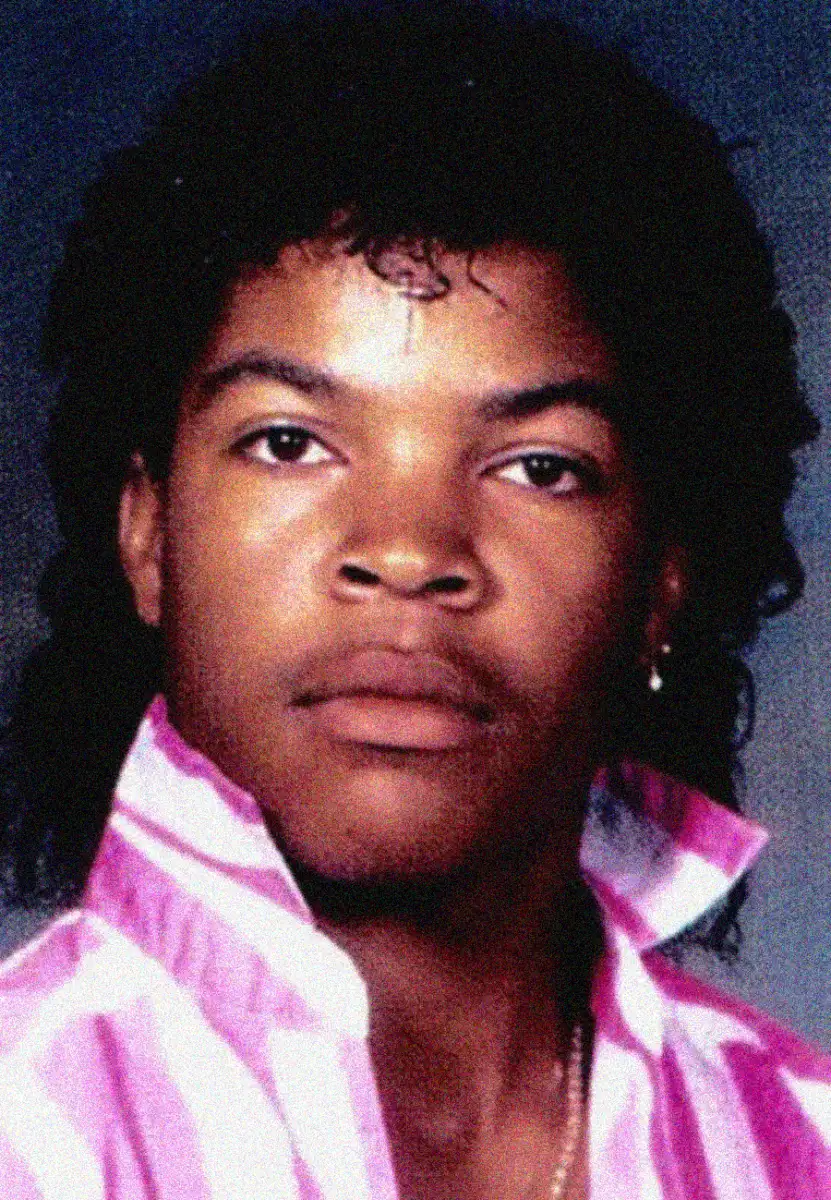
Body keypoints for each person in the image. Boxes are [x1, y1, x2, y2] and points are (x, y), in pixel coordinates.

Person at [0, 4, 828, 1197]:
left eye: (539, 466)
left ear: (663, 582)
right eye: (289, 442)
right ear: (147, 536)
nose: (405, 550)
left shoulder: (800, 1142)